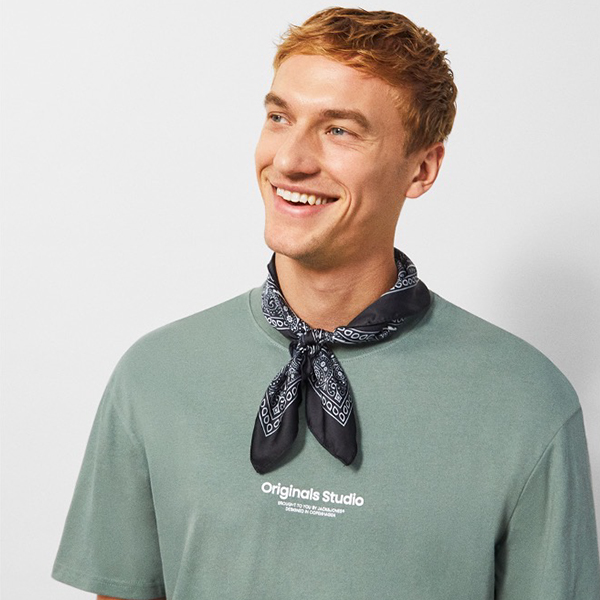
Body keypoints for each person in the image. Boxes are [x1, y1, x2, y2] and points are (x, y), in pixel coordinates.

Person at [52, 7, 600, 600]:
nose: (290, 160)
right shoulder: (155, 375)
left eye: (339, 130)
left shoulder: (527, 403)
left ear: (421, 169)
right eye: (279, 117)